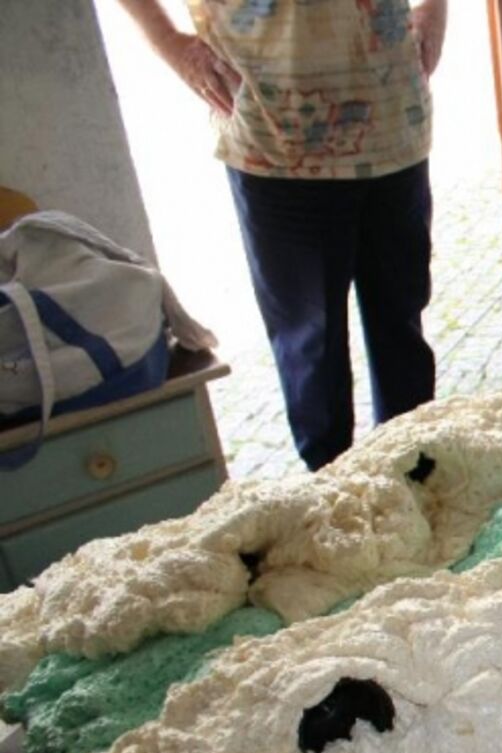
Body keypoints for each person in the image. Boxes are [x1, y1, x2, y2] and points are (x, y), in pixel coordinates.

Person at [116, 0, 448, 471]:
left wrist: (435, 8)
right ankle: (332, 494)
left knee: (402, 334)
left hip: (395, 121)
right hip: (278, 140)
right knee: (311, 350)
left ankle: (416, 482)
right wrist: (171, 44)